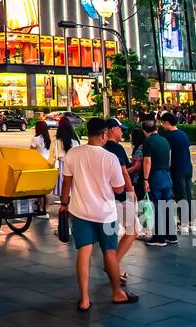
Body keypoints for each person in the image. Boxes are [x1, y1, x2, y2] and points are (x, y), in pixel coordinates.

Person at [60, 118, 137, 311]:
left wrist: (63, 204)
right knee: (110, 252)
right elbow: (119, 189)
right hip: (105, 214)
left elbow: (66, 183)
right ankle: (117, 293)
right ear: (104, 134)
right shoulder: (109, 158)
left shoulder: (73, 153)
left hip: (80, 212)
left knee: (83, 253)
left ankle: (84, 300)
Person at [102, 119, 139, 277]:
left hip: (104, 196)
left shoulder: (99, 148)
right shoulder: (117, 148)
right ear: (110, 130)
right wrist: (131, 192)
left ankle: (113, 265)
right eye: (119, 129)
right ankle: (113, 265)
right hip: (120, 195)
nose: (122, 132)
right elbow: (124, 172)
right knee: (133, 230)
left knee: (110, 234)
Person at [140, 118, 175, 246]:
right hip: (166, 174)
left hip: (155, 175)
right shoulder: (164, 140)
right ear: (156, 128)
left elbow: (147, 161)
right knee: (166, 205)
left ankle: (159, 238)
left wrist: (145, 179)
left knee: (157, 206)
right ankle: (171, 236)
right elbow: (170, 158)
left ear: (144, 131)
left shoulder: (148, 141)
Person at [159, 113, 196, 235]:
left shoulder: (170, 136)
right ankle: (191, 222)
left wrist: (167, 167)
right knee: (188, 194)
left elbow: (168, 154)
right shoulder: (183, 134)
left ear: (167, 123)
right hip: (187, 167)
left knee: (181, 195)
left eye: (163, 123)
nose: (162, 125)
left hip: (177, 168)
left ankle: (184, 223)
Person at [53, 115, 79, 204]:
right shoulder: (75, 141)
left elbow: (53, 156)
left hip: (61, 166)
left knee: (63, 190)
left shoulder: (56, 141)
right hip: (74, 167)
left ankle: (64, 207)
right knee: (73, 190)